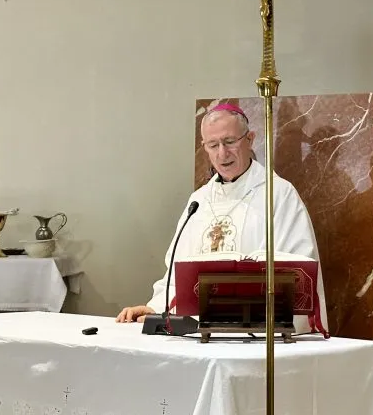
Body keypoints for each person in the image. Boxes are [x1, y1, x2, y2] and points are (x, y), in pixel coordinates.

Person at [117, 102, 329, 335]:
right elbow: (177, 273)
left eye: (229, 142)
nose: (222, 153)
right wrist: (155, 308)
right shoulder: (199, 201)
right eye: (213, 145)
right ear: (204, 147)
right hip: (199, 335)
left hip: (257, 334)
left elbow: (299, 270)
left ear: (250, 139)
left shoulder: (278, 194)